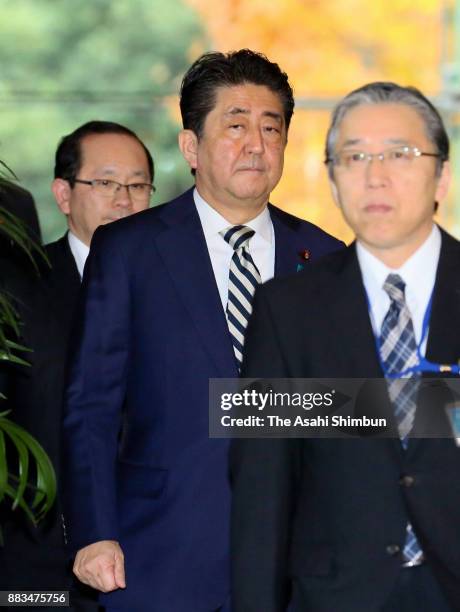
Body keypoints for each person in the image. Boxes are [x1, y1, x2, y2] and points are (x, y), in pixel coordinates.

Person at [61, 49, 343, 612]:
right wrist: (94, 530)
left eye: (271, 128)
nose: (256, 144)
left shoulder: (327, 257)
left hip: (294, 566)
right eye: (235, 126)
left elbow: (341, 408)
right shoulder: (129, 250)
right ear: (191, 146)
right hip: (158, 555)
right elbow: (91, 402)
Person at [231, 81, 460, 612]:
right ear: (332, 181)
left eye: (399, 155)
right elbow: (260, 497)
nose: (375, 175)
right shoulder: (284, 310)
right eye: (354, 157)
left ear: (441, 177)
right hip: (333, 595)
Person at [0, 121, 154, 611]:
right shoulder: (16, 291)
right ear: (63, 195)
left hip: (154, 558)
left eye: (137, 185)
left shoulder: (177, 291)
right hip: (39, 567)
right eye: (106, 183)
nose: (124, 199)